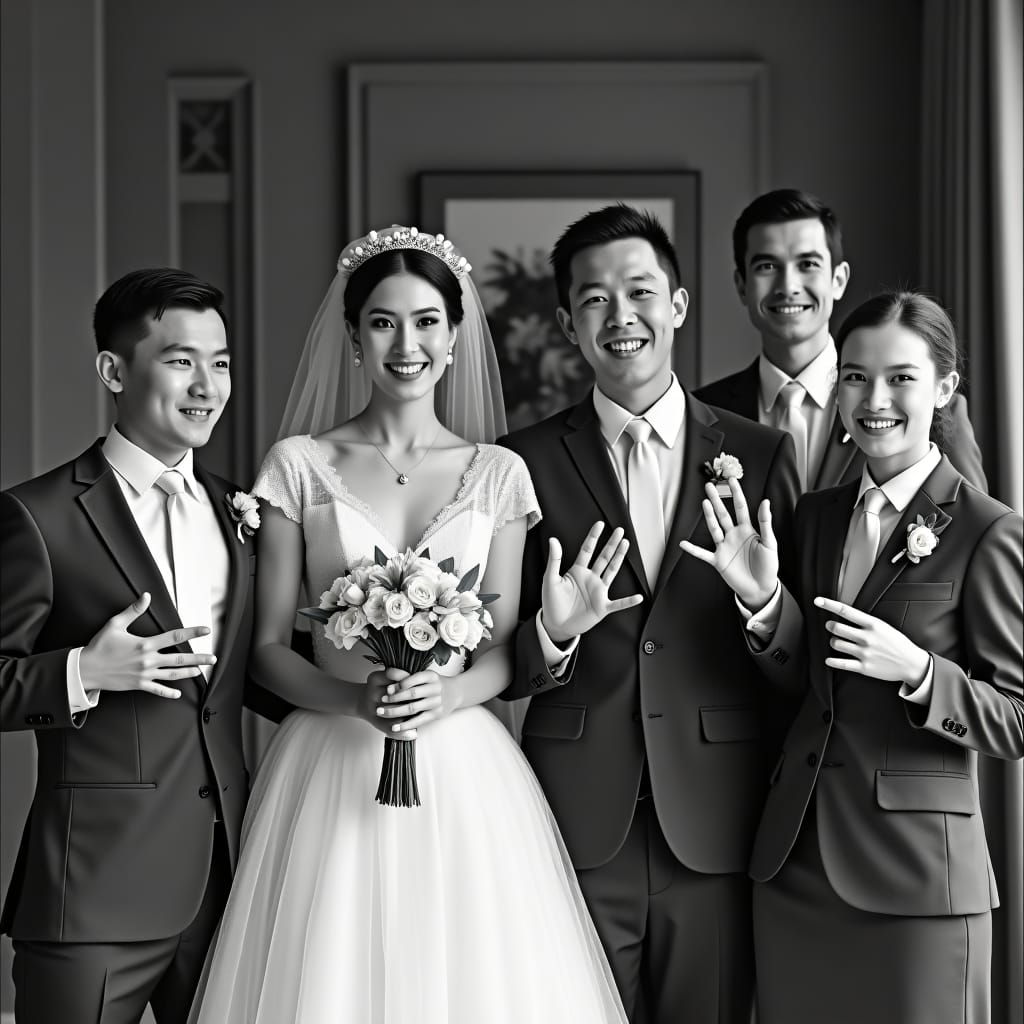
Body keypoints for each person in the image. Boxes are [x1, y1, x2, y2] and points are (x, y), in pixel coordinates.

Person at [188, 225, 630, 1023]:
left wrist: (449, 699)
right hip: (331, 755)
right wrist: (354, 700)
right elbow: (262, 652)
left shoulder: (498, 474)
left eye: (427, 321)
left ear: (455, 337)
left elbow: (498, 650)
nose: (407, 342)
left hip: (464, 767)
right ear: (354, 338)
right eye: (385, 322)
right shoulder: (297, 465)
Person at [683, 291, 1023, 1024]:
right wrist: (765, 604)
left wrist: (921, 673)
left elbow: (1016, 719)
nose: (875, 399)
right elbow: (802, 679)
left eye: (901, 377)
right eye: (857, 377)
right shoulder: (813, 517)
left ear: (944, 389)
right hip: (795, 868)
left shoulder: (989, 531)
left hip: (917, 882)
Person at [500, 204, 801, 1024]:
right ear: (568, 322)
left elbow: (798, 660)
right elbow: (500, 660)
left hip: (715, 819)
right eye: (595, 300)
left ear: (678, 303)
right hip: (574, 819)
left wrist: (765, 605)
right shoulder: (520, 462)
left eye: (639, 291)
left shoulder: (763, 454)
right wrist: (553, 636)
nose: (620, 316)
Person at [0, 268, 289, 1024]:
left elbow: (249, 674)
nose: (207, 385)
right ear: (113, 371)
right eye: (180, 360)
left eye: (220, 363)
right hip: (93, 895)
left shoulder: (242, 511)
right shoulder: (35, 516)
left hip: (232, 887)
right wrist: (81, 672)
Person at [695, 188, 988, 492]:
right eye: (767, 266)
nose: (788, 286)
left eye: (807, 264)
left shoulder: (931, 408)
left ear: (838, 279)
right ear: (742, 286)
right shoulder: (702, 412)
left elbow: (974, 527)